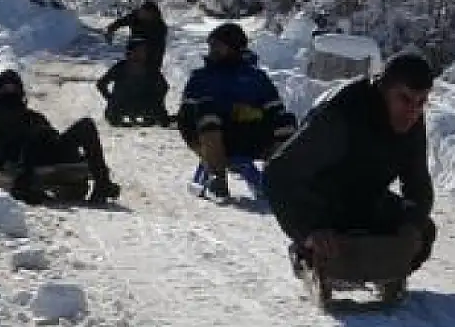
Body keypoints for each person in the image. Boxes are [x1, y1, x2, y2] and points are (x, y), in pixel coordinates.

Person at [262, 53, 437, 300]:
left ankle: (380, 267)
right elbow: (276, 174)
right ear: (383, 90)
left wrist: (411, 227)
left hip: (366, 199)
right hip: (323, 204)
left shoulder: (412, 121)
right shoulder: (343, 115)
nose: (413, 111)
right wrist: (308, 230)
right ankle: (307, 254)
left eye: (421, 102)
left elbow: (417, 184)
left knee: (423, 232)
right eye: (405, 99)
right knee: (328, 244)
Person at [0, 69, 121, 204]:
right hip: (22, 161)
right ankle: (30, 184)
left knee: (86, 125)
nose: (10, 93)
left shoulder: (32, 116)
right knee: (33, 136)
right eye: (6, 89)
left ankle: (102, 184)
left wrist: (74, 156)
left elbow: (51, 135)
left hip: (48, 153)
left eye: (13, 89)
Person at [177, 22, 297, 199]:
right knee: (207, 111)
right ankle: (216, 177)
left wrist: (256, 113)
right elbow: (186, 116)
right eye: (211, 46)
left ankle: (279, 176)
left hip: (250, 136)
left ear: (233, 48)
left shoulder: (255, 77)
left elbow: (275, 109)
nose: (212, 50)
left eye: (218, 45)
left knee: (286, 121)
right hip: (213, 137)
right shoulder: (201, 77)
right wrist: (228, 113)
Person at [96, 37, 172, 126]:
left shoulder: (150, 68)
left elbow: (164, 86)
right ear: (129, 53)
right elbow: (101, 84)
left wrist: (157, 100)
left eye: (143, 51)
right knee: (113, 118)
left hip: (144, 102)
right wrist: (111, 99)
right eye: (137, 51)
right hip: (123, 103)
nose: (141, 54)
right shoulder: (120, 67)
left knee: (163, 120)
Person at [104, 0, 169, 70]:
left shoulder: (160, 26)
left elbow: (159, 47)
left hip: (152, 49)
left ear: (152, 14)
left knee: (151, 65)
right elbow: (120, 22)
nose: (142, 14)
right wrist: (110, 31)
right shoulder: (134, 17)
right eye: (142, 12)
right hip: (135, 44)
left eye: (146, 13)